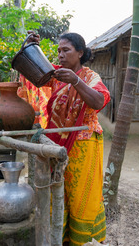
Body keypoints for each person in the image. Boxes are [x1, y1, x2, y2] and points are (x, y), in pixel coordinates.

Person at [21, 32, 111, 245]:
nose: (60, 55)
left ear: (80, 53)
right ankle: (58, 238)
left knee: (80, 195)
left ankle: (82, 240)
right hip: (57, 144)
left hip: (84, 145)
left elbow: (99, 101)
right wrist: (30, 48)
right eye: (59, 51)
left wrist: (77, 81)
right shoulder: (57, 76)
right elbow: (33, 71)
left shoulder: (90, 77)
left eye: (66, 50)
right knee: (58, 190)